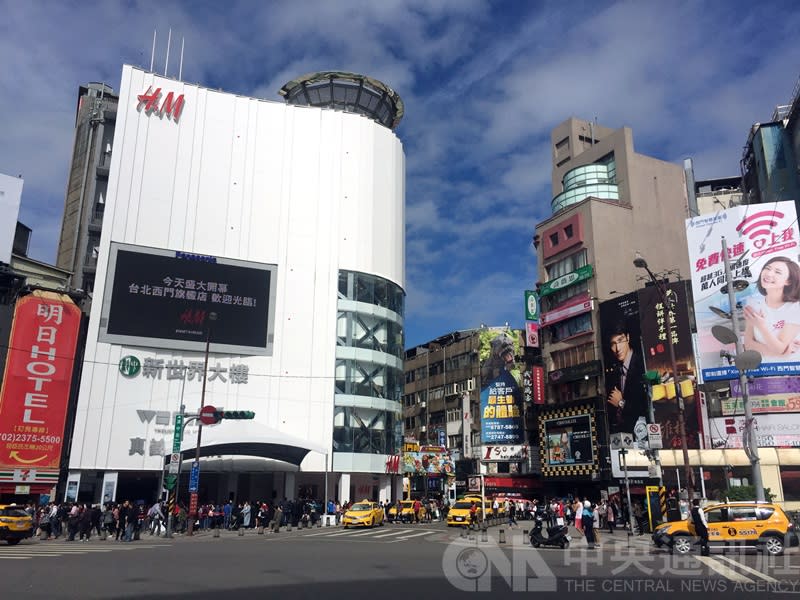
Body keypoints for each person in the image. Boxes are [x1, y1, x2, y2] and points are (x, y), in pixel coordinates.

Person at [744, 256, 800, 359]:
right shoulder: (754, 305)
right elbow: (748, 345)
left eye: (777, 272)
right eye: (767, 268)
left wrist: (761, 326)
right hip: (762, 369)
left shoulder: (795, 307)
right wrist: (778, 353)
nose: (769, 273)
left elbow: (780, 348)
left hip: (790, 371)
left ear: (788, 281)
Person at [604, 321, 647, 434]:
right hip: (623, 435)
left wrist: (621, 402)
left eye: (620, 340)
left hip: (642, 433)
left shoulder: (641, 366)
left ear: (627, 337)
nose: (618, 348)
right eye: (613, 344)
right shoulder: (617, 371)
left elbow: (644, 406)